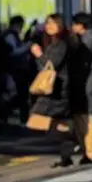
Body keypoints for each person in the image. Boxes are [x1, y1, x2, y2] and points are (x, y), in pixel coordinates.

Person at [28, 15, 83, 167]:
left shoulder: (61, 44)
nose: (49, 26)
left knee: (38, 119)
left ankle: (73, 139)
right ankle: (67, 153)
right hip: (54, 88)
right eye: (47, 23)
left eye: (53, 23)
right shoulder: (55, 43)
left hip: (58, 89)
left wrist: (39, 54)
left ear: (60, 25)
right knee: (58, 122)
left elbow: (53, 64)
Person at [70, 13, 92, 162]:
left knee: (87, 118)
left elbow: (83, 64)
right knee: (82, 118)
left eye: (74, 24)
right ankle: (88, 151)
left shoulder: (88, 41)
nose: (72, 27)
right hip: (90, 81)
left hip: (88, 83)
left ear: (80, 25)